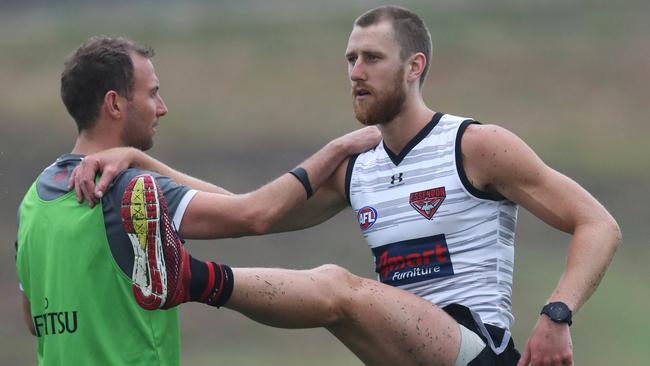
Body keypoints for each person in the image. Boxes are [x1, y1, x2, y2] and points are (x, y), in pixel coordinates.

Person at [70, 5, 621, 366]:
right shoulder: (356, 166)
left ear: (414, 67)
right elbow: (247, 212)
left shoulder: (476, 145)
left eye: (372, 59)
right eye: (350, 59)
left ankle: (186, 279)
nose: (356, 71)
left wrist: (557, 314)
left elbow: (598, 223)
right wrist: (140, 160)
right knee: (339, 298)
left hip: (476, 348)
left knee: (336, 288)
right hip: (399, 349)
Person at [15, 36, 381, 365]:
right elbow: (254, 214)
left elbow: (34, 320)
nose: (161, 107)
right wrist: (339, 147)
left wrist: (137, 157)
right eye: (151, 93)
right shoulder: (133, 191)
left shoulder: (32, 202)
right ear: (114, 103)